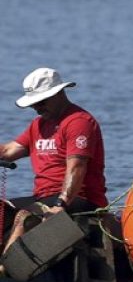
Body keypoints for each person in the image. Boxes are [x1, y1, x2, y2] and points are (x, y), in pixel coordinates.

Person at [0, 67, 108, 261]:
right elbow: (8, 151)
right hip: (43, 197)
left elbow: (77, 167)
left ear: (59, 93)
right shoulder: (38, 125)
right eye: (34, 104)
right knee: (3, 209)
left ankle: (6, 269)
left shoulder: (79, 122)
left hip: (79, 199)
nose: (37, 108)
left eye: (41, 102)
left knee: (26, 214)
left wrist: (61, 204)